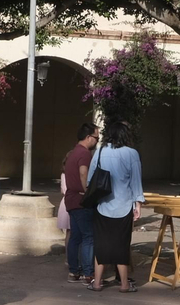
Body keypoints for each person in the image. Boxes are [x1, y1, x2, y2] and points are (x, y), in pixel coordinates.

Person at [86, 121, 144, 292]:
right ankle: (124, 284)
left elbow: (90, 179)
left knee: (101, 244)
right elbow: (136, 181)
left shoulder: (100, 151)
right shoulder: (132, 153)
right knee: (122, 245)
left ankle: (97, 282)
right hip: (124, 205)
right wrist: (138, 204)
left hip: (102, 205)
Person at [62, 122, 100, 283]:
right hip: (81, 201)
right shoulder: (84, 154)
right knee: (88, 237)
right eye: (96, 138)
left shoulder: (73, 153)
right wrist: (88, 192)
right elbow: (83, 173)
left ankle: (73, 272)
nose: (97, 141)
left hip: (71, 200)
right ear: (88, 137)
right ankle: (88, 273)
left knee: (75, 237)